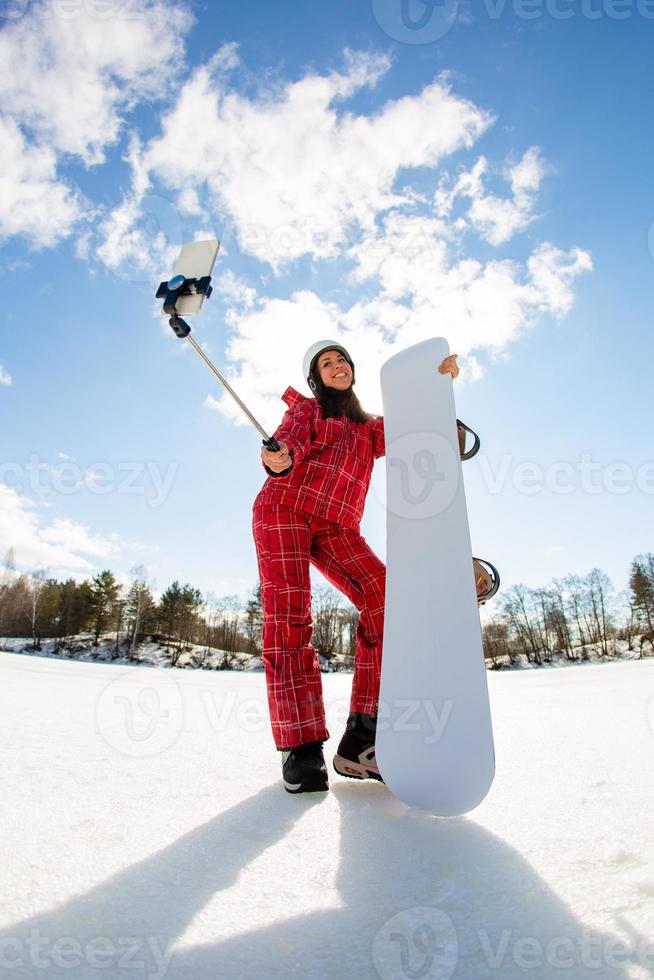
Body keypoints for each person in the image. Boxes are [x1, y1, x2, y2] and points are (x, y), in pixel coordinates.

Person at [252, 340, 462, 795]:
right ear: (316, 377)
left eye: (342, 359)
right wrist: (279, 457)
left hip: (337, 526)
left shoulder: (369, 428)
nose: (337, 366)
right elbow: (289, 439)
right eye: (326, 363)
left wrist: (436, 381)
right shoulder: (309, 411)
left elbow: (415, 427)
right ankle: (302, 748)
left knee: (386, 599)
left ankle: (362, 738)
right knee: (290, 620)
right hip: (285, 507)